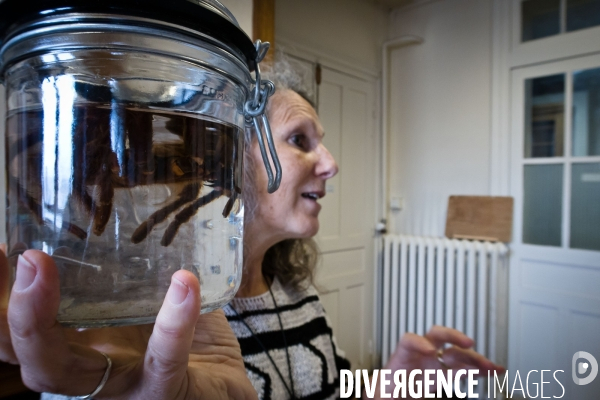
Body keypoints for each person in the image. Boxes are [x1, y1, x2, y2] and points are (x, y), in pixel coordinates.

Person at [0, 63, 504, 400]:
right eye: (299, 140)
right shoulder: (143, 323)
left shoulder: (296, 291)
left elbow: (326, 386)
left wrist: (388, 384)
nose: (331, 163)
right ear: (227, 158)